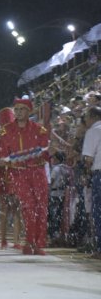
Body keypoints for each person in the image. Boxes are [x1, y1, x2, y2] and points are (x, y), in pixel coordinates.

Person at [0, 98, 49, 255]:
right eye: (17, 109)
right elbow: (2, 156)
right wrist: (4, 160)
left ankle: (39, 243)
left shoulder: (39, 130)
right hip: (19, 174)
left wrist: (40, 155)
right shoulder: (6, 131)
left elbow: (45, 153)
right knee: (27, 208)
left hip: (37, 172)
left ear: (29, 111)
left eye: (22, 109)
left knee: (41, 207)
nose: (19, 112)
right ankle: (29, 241)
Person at [0, 107, 23, 249]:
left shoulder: (19, 139)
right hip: (1, 178)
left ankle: (16, 240)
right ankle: (3, 238)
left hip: (16, 176)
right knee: (4, 208)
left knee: (17, 208)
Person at [81, 106, 101, 259]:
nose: (85, 120)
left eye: (86, 116)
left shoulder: (93, 130)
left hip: (99, 174)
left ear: (94, 117)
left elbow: (88, 158)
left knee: (98, 212)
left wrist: (85, 175)